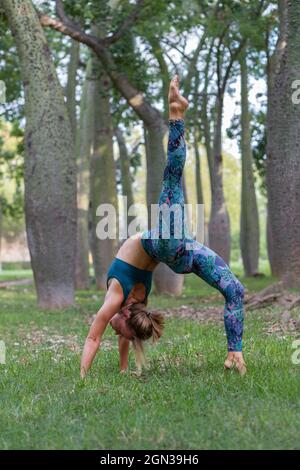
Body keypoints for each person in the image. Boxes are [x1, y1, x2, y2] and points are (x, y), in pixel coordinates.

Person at [80, 75, 246, 378]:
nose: (116, 334)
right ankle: (235, 352)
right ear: (130, 316)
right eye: (125, 334)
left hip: (173, 244)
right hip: (178, 250)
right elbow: (123, 333)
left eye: (122, 333)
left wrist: (84, 379)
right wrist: (121, 368)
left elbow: (93, 337)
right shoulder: (132, 308)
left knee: (172, 177)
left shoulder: (117, 299)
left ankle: (176, 111)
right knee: (235, 289)